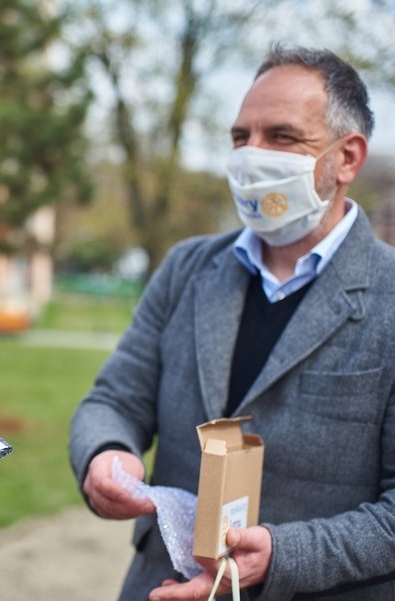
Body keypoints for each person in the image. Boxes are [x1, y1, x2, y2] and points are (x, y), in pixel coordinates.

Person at [69, 45, 395, 601]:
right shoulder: (187, 268)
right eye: (241, 138)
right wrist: (104, 454)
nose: (252, 155)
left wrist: (282, 554)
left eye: (282, 137)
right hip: (157, 583)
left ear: (348, 158)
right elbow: (113, 400)